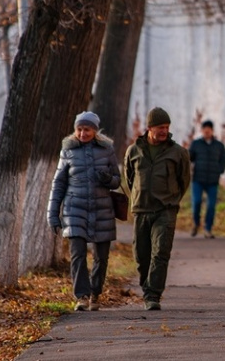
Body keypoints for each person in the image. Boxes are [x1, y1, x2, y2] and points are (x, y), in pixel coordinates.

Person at [47, 111, 121, 312]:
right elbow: (58, 183)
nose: (82, 133)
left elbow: (117, 180)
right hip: (74, 210)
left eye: (86, 129)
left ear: (95, 131)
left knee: (101, 257)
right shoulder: (68, 151)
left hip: (102, 210)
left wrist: (107, 178)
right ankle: (82, 296)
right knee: (78, 254)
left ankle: (95, 294)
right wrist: (53, 213)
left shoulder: (107, 150)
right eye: (79, 129)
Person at [124, 107, 191, 310]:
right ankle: (147, 287)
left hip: (166, 209)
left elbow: (184, 180)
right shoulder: (134, 150)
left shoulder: (178, 152)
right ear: (149, 128)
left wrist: (171, 199)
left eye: (167, 127)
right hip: (142, 210)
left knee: (160, 251)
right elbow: (129, 177)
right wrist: (139, 195)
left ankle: (153, 295)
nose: (164, 131)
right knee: (141, 255)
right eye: (160, 127)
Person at [188, 120, 225, 238]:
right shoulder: (196, 144)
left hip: (212, 181)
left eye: (209, 130)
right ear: (202, 131)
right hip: (198, 180)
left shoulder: (219, 145)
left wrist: (220, 170)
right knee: (196, 203)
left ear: (212, 131)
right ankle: (196, 223)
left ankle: (208, 229)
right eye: (205, 130)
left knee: (211, 206)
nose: (207, 132)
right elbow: (190, 158)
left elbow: (223, 160)